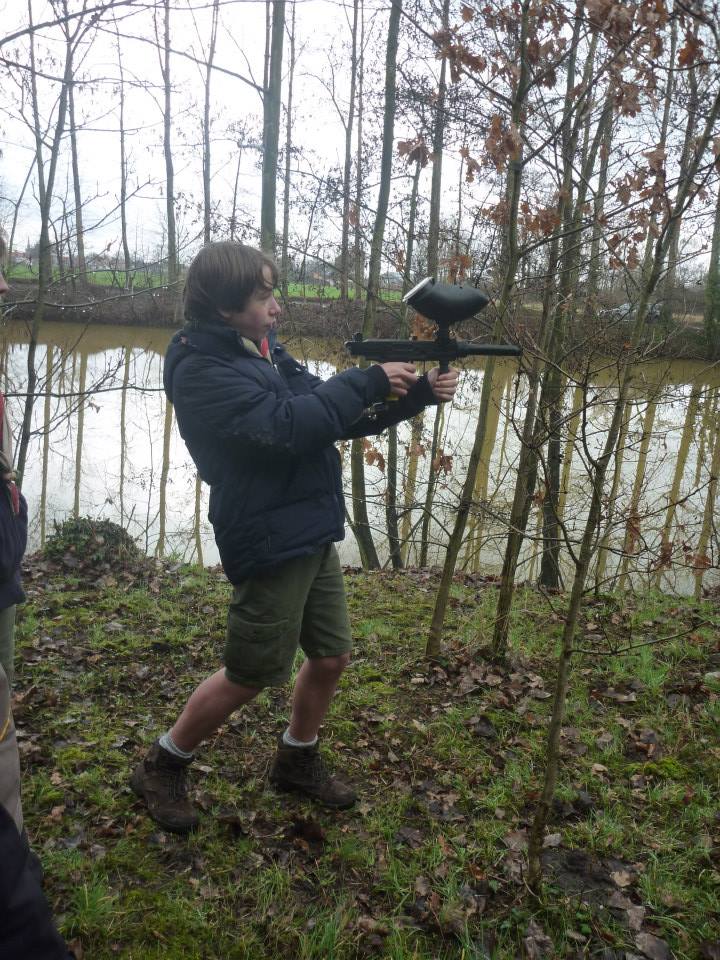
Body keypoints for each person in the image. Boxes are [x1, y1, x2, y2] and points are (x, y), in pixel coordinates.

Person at [131, 242, 458, 833]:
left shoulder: (259, 350)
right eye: (263, 296)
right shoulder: (201, 368)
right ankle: (163, 762)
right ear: (225, 307)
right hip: (265, 528)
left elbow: (321, 414)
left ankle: (295, 760)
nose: (276, 307)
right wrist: (364, 381)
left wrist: (407, 401)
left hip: (305, 522)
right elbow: (285, 427)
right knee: (250, 673)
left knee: (330, 656)